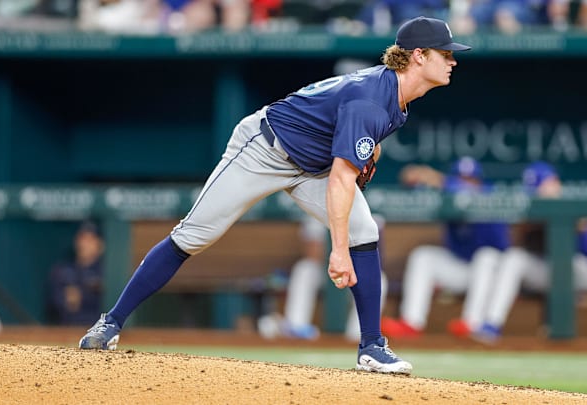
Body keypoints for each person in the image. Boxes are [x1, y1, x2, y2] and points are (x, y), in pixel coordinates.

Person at [78, 16, 471, 375]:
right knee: (194, 235)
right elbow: (340, 180)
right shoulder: (372, 98)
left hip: (310, 165)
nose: (453, 61)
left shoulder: (395, 98)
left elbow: (347, 141)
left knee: (364, 231)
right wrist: (337, 251)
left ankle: (372, 346)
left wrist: (370, 151)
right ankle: (110, 322)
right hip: (264, 149)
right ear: (418, 56)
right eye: (446, 53)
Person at [472, 161, 587, 344]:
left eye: (542, 186)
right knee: (515, 258)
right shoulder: (530, 210)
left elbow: (584, 245)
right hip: (548, 271)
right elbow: (519, 243)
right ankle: (491, 325)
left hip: (586, 273)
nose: (538, 193)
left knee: (585, 273)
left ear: (553, 182)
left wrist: (568, 218)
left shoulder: (572, 204)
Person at [381, 157, 510, 339]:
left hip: (494, 275)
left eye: (471, 179)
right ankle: (411, 323)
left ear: (479, 181)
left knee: (486, 257)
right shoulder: (447, 193)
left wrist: (440, 180)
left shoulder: (490, 195)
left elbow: (469, 194)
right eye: (461, 178)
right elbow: (417, 187)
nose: (465, 184)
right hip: (463, 269)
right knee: (423, 256)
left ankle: (472, 323)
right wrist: (416, 179)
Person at [257, 214, 388, 342]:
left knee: (379, 278)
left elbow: (373, 256)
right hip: (325, 270)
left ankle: (358, 335)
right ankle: (296, 327)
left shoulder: (367, 212)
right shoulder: (317, 209)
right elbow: (312, 252)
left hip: (354, 272)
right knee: (305, 268)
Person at [48, 221, 105, 325]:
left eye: (90, 239)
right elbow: (54, 301)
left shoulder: (108, 271)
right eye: (82, 238)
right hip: (65, 330)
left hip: (96, 330)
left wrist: (82, 296)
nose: (84, 244)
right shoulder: (63, 269)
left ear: (100, 245)